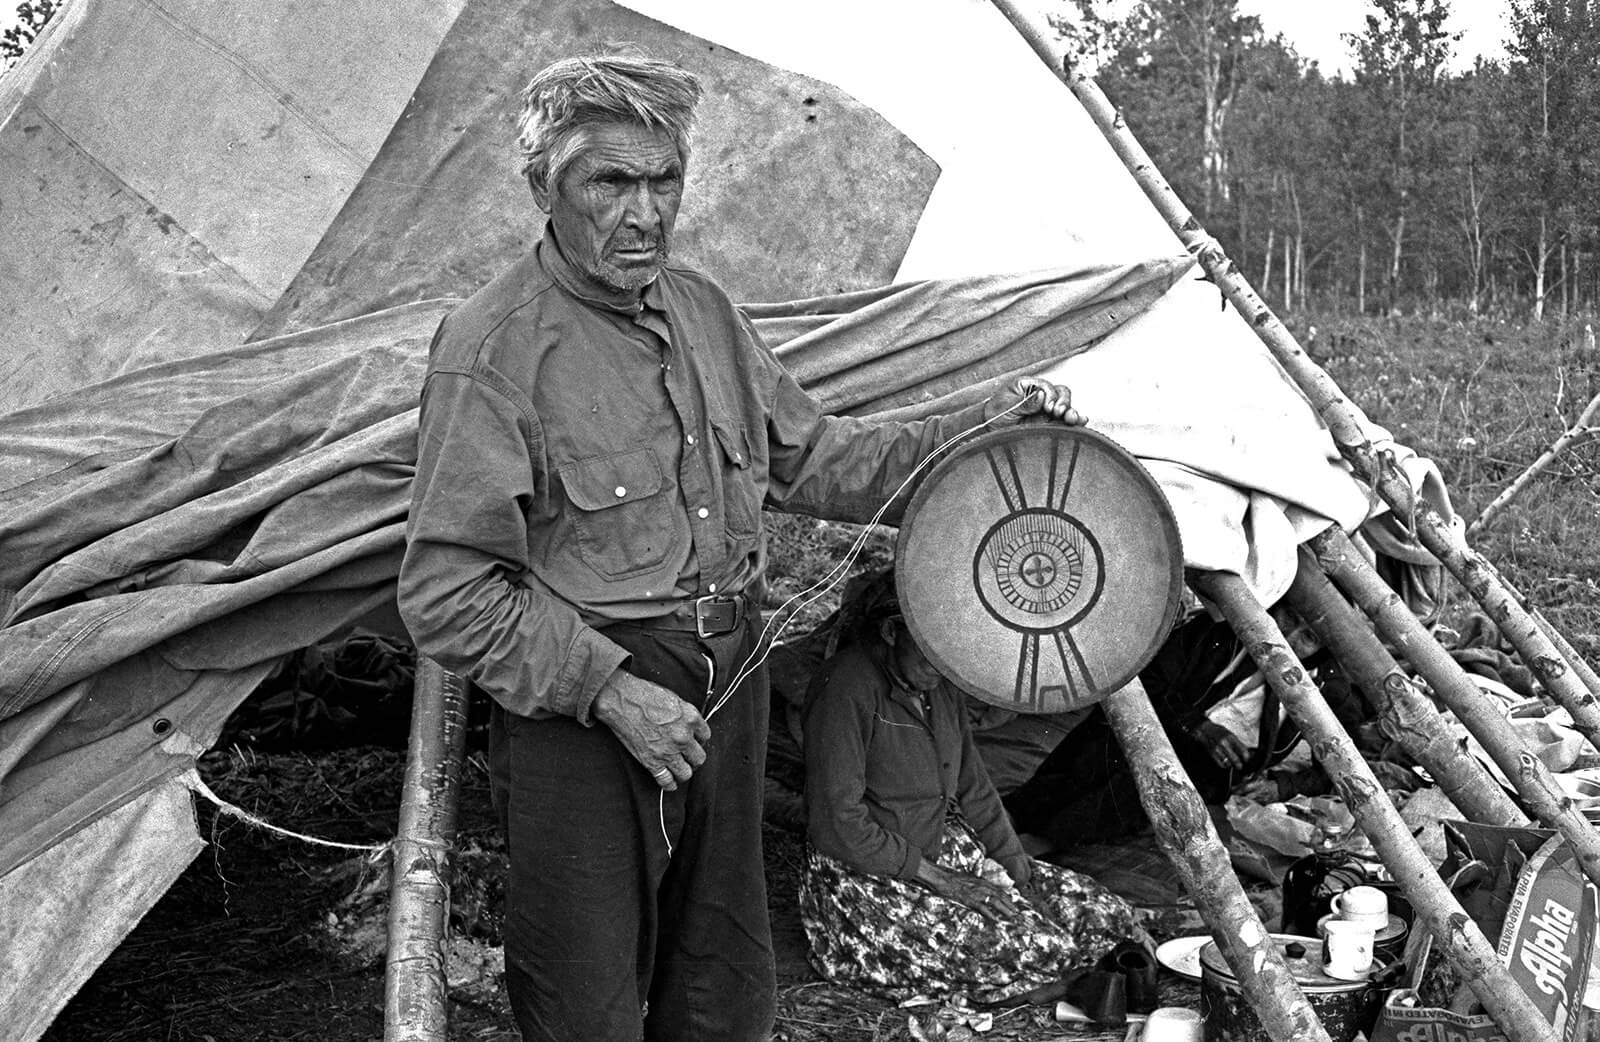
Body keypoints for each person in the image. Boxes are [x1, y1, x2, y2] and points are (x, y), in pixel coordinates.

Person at [396, 52, 1082, 1042]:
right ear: (543, 186)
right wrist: (611, 692)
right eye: (609, 182)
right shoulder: (492, 348)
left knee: (719, 980)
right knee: (583, 997)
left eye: (662, 179)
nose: (644, 212)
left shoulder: (704, 311)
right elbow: (447, 587)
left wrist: (983, 422)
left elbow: (823, 459)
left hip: (732, 679)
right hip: (589, 707)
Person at [798, 569, 1142, 1002]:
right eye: (930, 656)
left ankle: (1049, 977)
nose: (942, 670)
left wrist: (1021, 876)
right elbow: (836, 823)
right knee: (1019, 946)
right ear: (890, 631)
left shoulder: (936, 685)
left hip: (943, 851)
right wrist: (945, 881)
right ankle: (1033, 988)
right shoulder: (845, 689)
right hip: (870, 871)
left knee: (1102, 912)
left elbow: (976, 790)